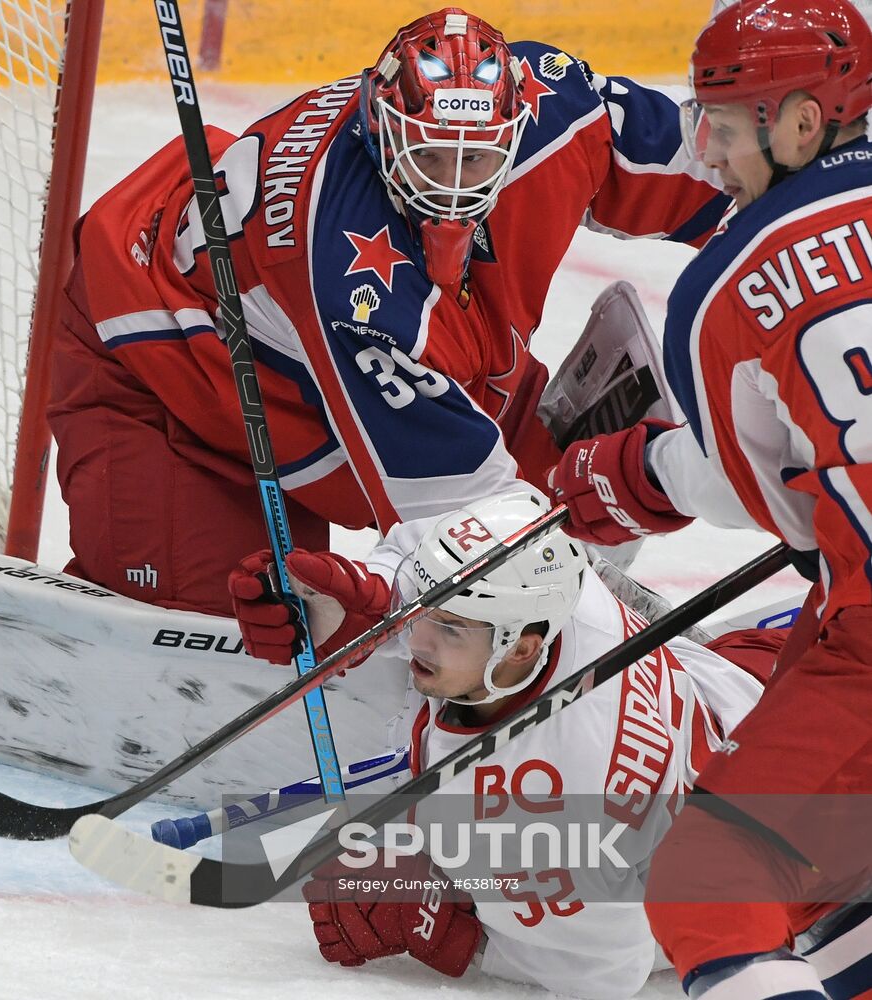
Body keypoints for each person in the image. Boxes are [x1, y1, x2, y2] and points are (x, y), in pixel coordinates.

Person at [47, 6, 728, 616]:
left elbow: (727, 165)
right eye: (430, 155)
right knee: (250, 625)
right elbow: (460, 532)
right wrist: (595, 600)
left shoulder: (558, 106)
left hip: (360, 342)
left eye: (478, 158)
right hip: (163, 361)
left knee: (574, 500)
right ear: (379, 126)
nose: (454, 183)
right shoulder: (349, 284)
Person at [546, 1, 872, 995]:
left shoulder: (727, 278)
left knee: (709, 879)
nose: (706, 152)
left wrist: (626, 478)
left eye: (726, 127)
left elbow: (762, 495)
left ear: (803, 124)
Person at [230, 489, 781, 998]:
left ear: (522, 648)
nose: (415, 638)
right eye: (419, 612)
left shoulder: (521, 822)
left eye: (447, 627)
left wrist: (444, 929)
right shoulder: (548, 574)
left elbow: (609, 971)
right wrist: (371, 600)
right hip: (750, 688)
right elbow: (469, 532)